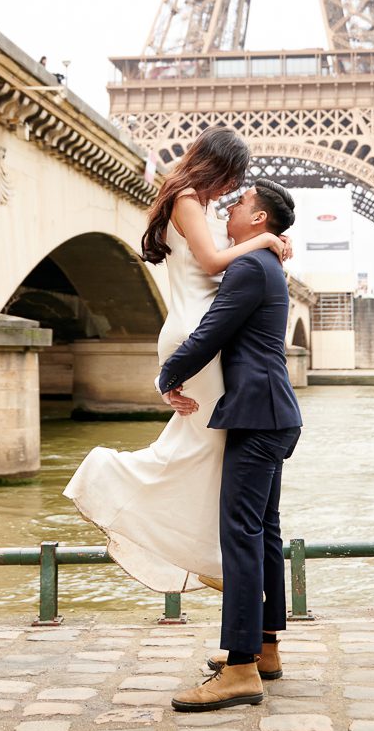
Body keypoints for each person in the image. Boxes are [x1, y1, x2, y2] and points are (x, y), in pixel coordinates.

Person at [63, 127, 287, 592]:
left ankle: (210, 552)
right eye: (231, 178)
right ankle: (113, 483)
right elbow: (210, 262)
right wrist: (264, 242)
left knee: (202, 446)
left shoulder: (187, 200)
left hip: (189, 328)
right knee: (209, 448)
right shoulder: (188, 197)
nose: (230, 192)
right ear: (217, 165)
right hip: (198, 332)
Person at [157, 179, 302, 712]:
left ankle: (240, 669)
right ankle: (265, 649)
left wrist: (167, 377)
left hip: (257, 418)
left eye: (239, 204)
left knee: (239, 536)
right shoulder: (266, 265)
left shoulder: (247, 267)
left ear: (259, 220)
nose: (228, 210)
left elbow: (210, 333)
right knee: (263, 533)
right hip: (273, 414)